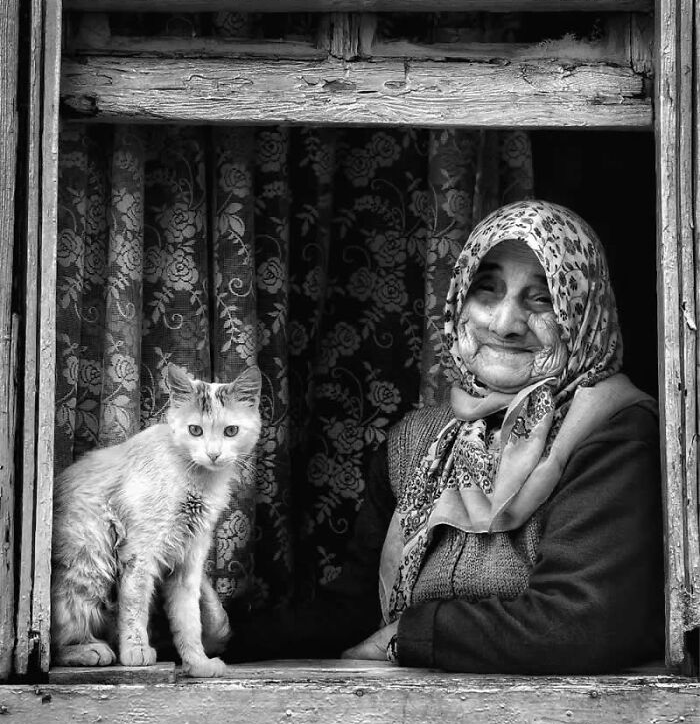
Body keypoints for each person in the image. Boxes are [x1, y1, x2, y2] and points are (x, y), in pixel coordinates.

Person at [225, 200, 664, 674]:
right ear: (459, 301)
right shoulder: (418, 438)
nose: (504, 324)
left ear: (583, 314)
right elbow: (355, 611)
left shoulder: (613, 432)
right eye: (487, 290)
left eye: (542, 299)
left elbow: (582, 622)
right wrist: (230, 636)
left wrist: (408, 637)